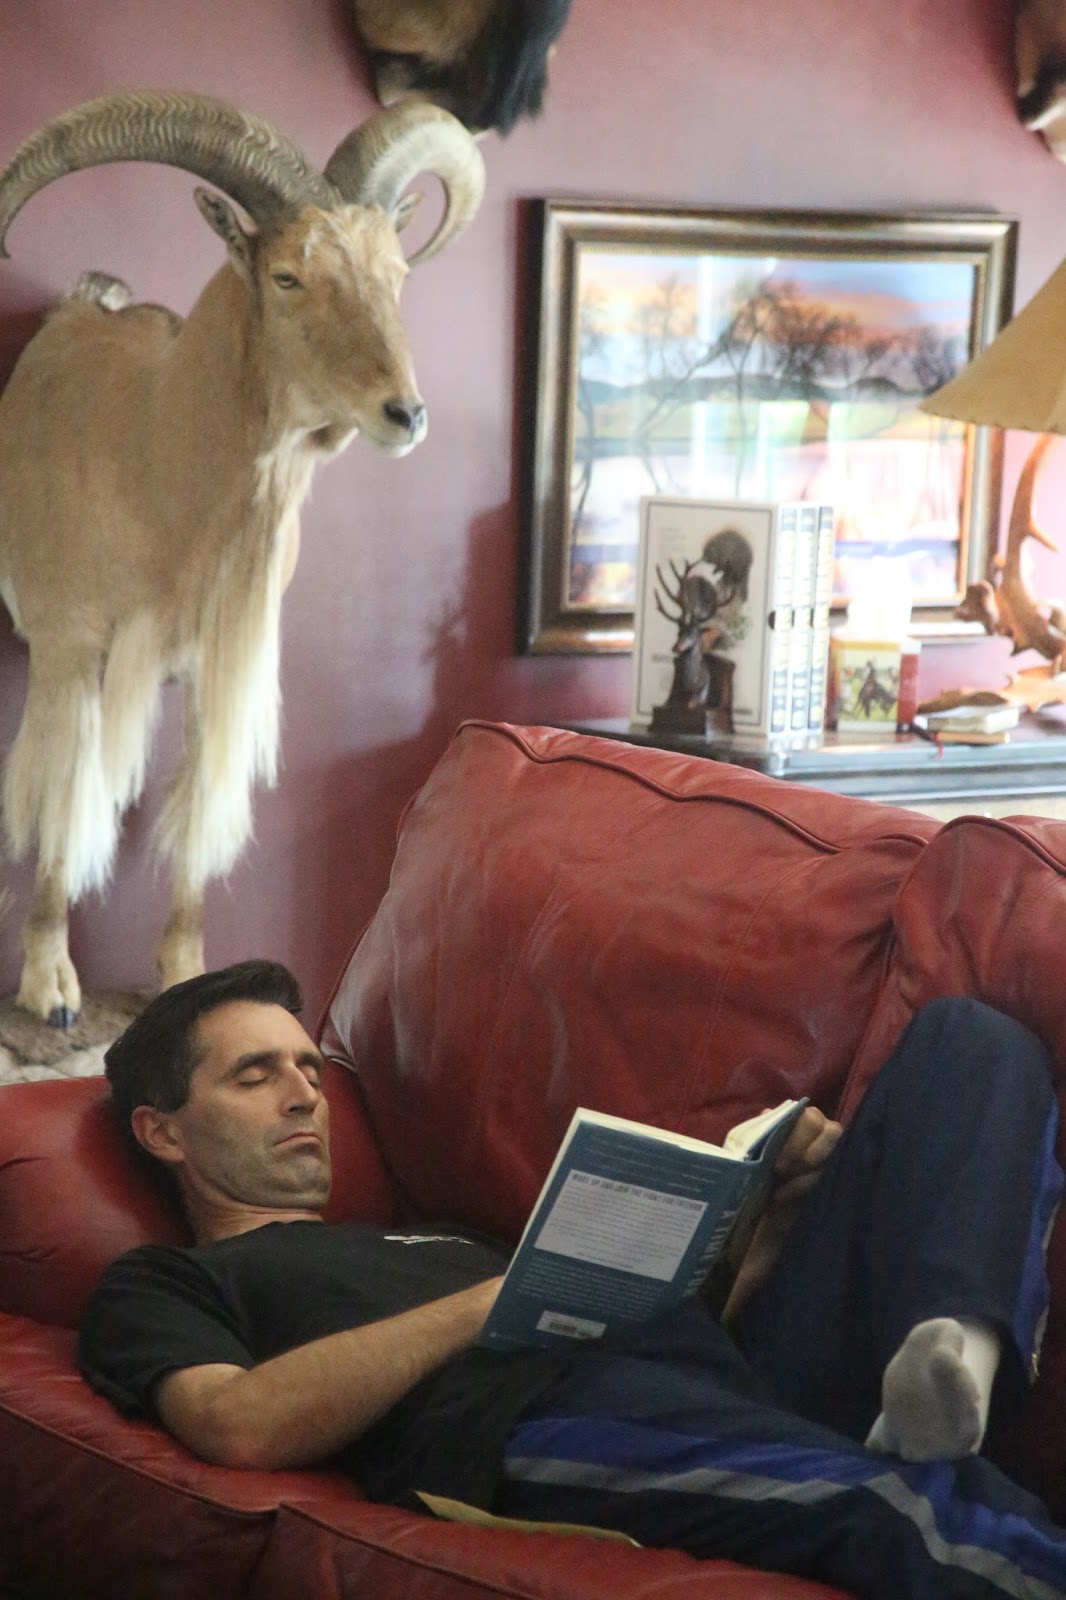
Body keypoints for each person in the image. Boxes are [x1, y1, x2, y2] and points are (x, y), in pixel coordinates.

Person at [79, 960, 1066, 1600]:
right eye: (255, 1076)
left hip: (713, 1372)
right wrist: (493, 1299)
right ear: (161, 1131)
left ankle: (958, 1349)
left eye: (309, 1068)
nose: (304, 1094)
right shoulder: (163, 1282)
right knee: (902, 1506)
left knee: (969, 1038)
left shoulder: (428, 1237)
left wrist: (767, 1228)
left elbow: (666, 1334)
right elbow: (239, 1422)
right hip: (535, 1422)